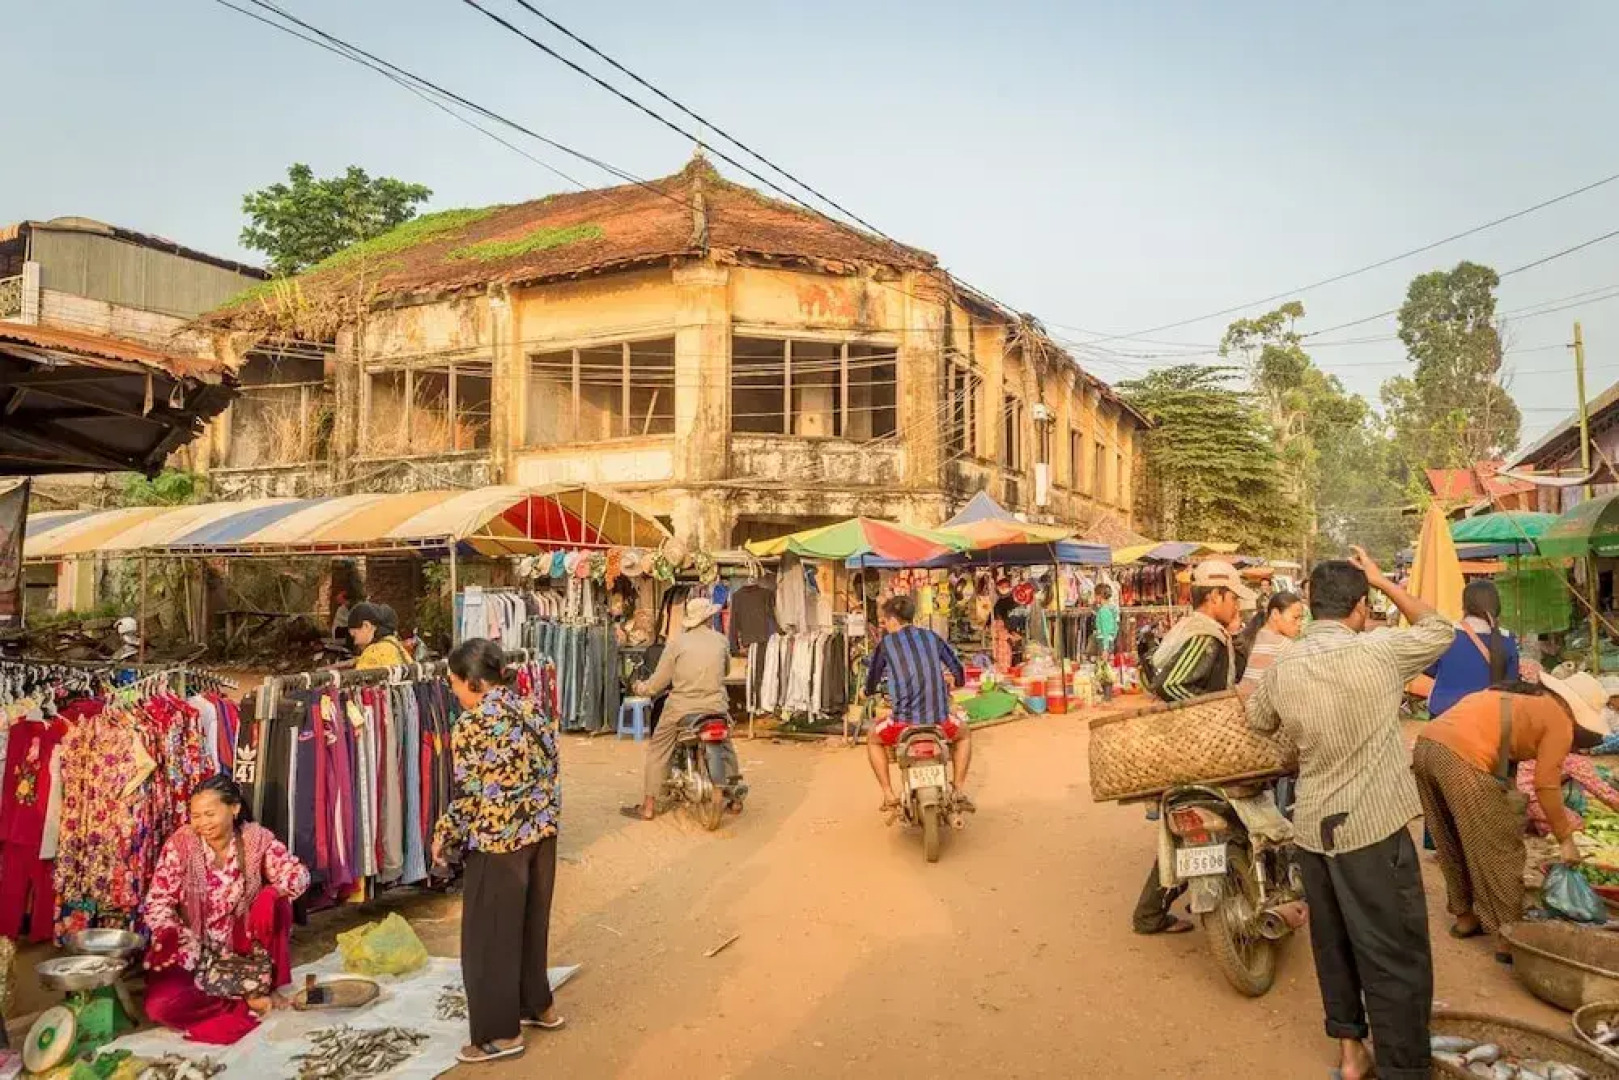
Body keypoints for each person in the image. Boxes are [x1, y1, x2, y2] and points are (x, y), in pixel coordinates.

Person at [1243, 549, 1453, 1080]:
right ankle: (1404, 1068)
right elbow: (1439, 627)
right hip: (1372, 828)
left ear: (1310, 607)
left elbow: (1258, 719)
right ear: (1361, 606)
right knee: (1395, 953)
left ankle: (1351, 1055)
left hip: (1313, 830)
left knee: (1332, 946)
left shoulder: (1286, 662)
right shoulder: (1380, 650)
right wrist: (1385, 580)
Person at [432, 638, 563, 1065]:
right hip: (541, 834)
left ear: (473, 681)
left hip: (498, 840)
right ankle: (537, 1006)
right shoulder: (530, 708)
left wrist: (443, 835)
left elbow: (470, 796)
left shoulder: (472, 725)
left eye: (454, 683)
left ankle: (499, 1034)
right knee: (529, 924)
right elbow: (553, 767)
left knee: (488, 938)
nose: (453, 691)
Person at [1414, 672, 1604, 949]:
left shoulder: (1517, 699)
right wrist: (1565, 839)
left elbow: (1505, 749)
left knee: (1451, 838)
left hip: (1426, 747)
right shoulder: (1559, 719)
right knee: (1500, 849)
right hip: (1462, 757)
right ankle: (1508, 935)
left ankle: (1466, 916)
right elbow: (1547, 785)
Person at [1132, 559, 1257, 936]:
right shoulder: (1204, 635)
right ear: (1216, 595)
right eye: (1233, 598)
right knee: (1228, 817)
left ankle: (1150, 914)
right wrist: (1212, 717)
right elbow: (1172, 686)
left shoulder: (1193, 630)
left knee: (1189, 830)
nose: (1238, 607)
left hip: (1184, 746)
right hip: (1197, 748)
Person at [142, 775, 311, 1045]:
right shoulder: (180, 845)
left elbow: (299, 874)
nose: (202, 823)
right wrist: (169, 934)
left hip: (245, 946)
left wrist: (271, 893)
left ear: (234, 808)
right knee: (160, 1006)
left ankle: (261, 985)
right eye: (195, 816)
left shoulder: (256, 840)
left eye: (210, 813)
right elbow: (157, 901)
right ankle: (242, 1004)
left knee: (278, 905)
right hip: (195, 945)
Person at [620, 597, 741, 821]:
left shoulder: (677, 643)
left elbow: (659, 682)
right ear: (709, 617)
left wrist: (642, 688)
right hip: (716, 706)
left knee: (658, 749)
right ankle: (734, 798)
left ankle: (648, 806)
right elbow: (725, 671)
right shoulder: (721, 641)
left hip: (681, 708)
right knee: (726, 746)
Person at [863, 594, 972, 813]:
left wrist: (868, 691)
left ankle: (888, 794)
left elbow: (873, 677)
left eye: (885, 621)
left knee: (873, 737)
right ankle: (958, 789)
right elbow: (957, 668)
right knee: (965, 733)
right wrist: (958, 682)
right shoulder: (932, 637)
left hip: (902, 724)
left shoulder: (886, 644)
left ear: (893, 620)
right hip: (940, 721)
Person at [1424, 579, 1522, 718]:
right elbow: (1511, 681)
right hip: (1487, 717)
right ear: (1497, 605)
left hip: (1444, 714)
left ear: (1465, 606)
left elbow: (1428, 667)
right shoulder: (1508, 639)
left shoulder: (1447, 633)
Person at [1238, 591, 1304, 690]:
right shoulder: (1282, 645)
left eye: (1301, 619)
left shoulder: (1258, 635)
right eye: (1295, 618)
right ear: (1275, 614)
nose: (1299, 624)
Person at [349, 602, 413, 669]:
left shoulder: (372, 654)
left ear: (366, 626)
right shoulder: (396, 645)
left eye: (354, 635)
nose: (355, 642)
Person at [1093, 583, 1120, 664]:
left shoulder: (1103, 611)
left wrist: (1105, 648)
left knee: (1103, 666)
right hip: (1109, 641)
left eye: (1095, 595)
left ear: (1099, 596)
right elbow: (1115, 628)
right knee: (1107, 666)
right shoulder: (1112, 609)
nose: (1094, 597)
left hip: (1104, 642)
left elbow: (1105, 630)